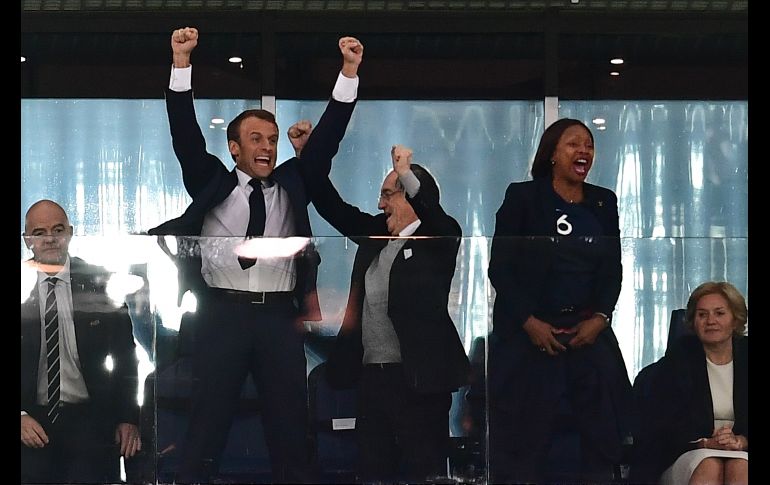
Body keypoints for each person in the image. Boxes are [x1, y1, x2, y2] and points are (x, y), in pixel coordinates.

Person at [147, 27, 363, 483]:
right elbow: (185, 136)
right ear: (234, 147)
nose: (267, 147)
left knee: (289, 424)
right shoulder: (212, 181)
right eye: (256, 139)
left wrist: (348, 74)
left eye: (271, 139)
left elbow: (326, 143)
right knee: (207, 424)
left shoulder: (292, 183)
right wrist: (180, 63)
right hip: (221, 314)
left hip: (277, 319)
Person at [313, 144, 471, 483]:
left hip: (419, 381)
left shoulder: (439, 237)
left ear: (409, 198)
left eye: (388, 194)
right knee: (373, 470)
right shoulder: (376, 237)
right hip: (373, 378)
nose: (380, 204)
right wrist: (306, 157)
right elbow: (334, 209)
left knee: (423, 471)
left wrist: (405, 174)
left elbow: (431, 210)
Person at [487, 118, 633, 483]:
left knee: (601, 441)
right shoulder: (523, 198)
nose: (583, 151)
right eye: (573, 144)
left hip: (587, 332)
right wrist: (529, 323)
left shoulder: (603, 201)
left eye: (589, 145)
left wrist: (601, 317)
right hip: (533, 335)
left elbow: (612, 269)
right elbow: (500, 270)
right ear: (552, 153)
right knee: (528, 445)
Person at [21, 199, 141, 484]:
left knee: (87, 474)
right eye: (40, 233)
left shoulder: (99, 282)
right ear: (28, 240)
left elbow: (126, 355)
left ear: (71, 233)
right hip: (31, 416)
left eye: (58, 230)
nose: (50, 239)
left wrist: (128, 418)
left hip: (90, 414)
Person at [639, 281, 748, 485]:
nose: (710, 321)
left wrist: (742, 441)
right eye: (702, 314)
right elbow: (662, 423)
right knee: (710, 464)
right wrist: (705, 443)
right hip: (690, 452)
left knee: (741, 466)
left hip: (744, 451)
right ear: (693, 322)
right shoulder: (677, 359)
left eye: (719, 313)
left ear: (735, 320)